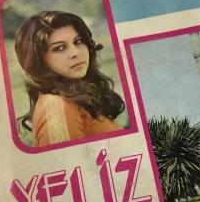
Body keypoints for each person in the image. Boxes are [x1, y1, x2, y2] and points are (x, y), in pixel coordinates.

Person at [15, 11, 126, 147]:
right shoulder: (56, 108)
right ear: (39, 60)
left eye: (78, 41)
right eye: (60, 48)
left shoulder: (74, 99)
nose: (75, 53)